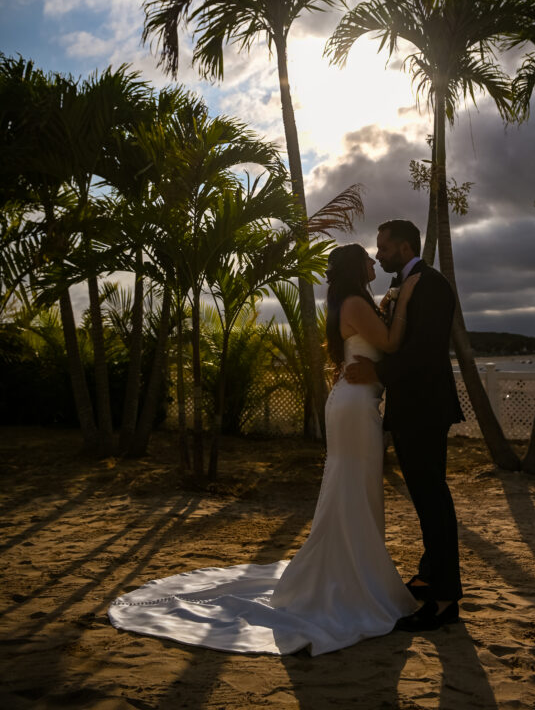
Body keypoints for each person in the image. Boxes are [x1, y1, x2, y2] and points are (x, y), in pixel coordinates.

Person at [108, 243, 420, 656]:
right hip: (355, 405)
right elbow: (393, 343)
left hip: (355, 400)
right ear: (356, 268)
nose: (372, 261)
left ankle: (353, 569)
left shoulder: (354, 301)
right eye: (366, 257)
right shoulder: (356, 305)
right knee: (352, 485)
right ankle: (354, 578)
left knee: (354, 485)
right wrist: (404, 300)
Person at [344, 219, 464, 631]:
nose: (378, 255)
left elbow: (426, 352)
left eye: (384, 247)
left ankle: (446, 599)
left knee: (432, 498)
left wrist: (378, 375)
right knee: (426, 495)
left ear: (404, 246)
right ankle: (430, 576)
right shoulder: (406, 282)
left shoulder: (430, 284)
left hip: (425, 407)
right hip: (413, 407)